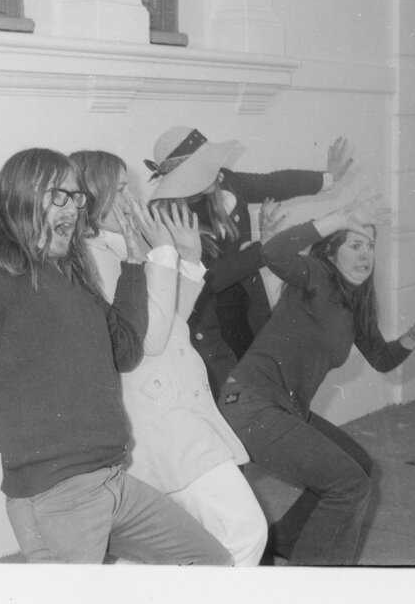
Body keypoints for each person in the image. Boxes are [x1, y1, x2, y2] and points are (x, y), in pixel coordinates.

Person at [0, 128, 231, 565]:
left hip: (111, 480)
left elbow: (126, 349)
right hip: (62, 493)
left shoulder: (70, 273)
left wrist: (136, 266)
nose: (75, 209)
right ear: (23, 198)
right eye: (60, 196)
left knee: (210, 561)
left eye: (77, 198)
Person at [218, 195, 415, 565]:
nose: (366, 255)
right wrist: (338, 216)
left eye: (370, 246)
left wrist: (414, 334)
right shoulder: (316, 277)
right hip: (251, 404)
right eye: (355, 244)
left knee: (360, 466)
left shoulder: (355, 306)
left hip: (284, 409)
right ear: (333, 252)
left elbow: (382, 359)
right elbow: (274, 252)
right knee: (349, 485)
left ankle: (288, 541)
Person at [71, 150, 267, 565]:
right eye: (120, 188)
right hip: (162, 421)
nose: (131, 196)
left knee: (167, 552)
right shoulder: (94, 258)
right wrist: (161, 253)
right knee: (243, 532)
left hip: (175, 411)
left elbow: (170, 318)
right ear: (91, 197)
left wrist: (189, 258)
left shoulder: (119, 246)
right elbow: (150, 340)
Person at [145, 126, 353, 400]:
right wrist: (262, 247)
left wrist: (327, 179)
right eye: (205, 166)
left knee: (260, 386)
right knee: (228, 396)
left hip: (246, 307)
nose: (218, 169)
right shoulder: (165, 220)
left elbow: (274, 183)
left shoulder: (227, 184)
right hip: (206, 324)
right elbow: (210, 278)